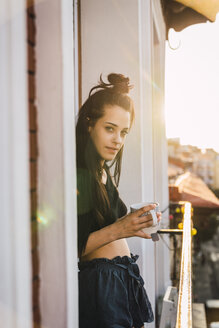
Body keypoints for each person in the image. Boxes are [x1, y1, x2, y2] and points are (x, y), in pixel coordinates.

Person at [76, 73, 161, 328]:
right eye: (110, 129)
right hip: (101, 289)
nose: (118, 140)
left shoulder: (101, 170)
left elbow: (107, 228)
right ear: (90, 124)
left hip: (120, 281)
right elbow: (71, 248)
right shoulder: (77, 174)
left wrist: (135, 222)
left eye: (123, 132)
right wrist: (121, 228)